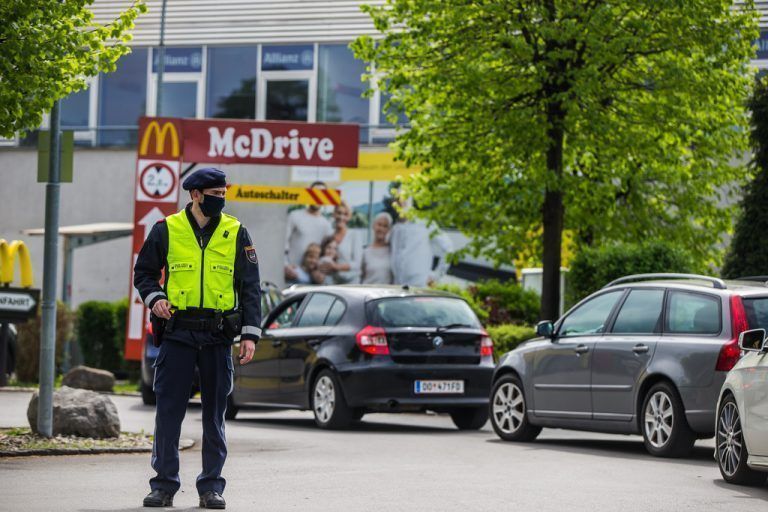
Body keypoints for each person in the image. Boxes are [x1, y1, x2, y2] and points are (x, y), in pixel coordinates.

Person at [133, 167, 261, 510]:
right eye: (215, 194)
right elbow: (144, 274)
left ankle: (211, 487)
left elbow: (250, 287)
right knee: (168, 412)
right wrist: (155, 298)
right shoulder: (166, 230)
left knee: (214, 414)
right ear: (195, 195)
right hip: (177, 332)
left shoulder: (236, 232)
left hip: (218, 335)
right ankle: (163, 486)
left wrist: (250, 335)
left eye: (223, 194)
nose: (221, 199)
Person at [390, 198, 453, 287]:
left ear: (409, 202)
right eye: (397, 201)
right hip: (397, 287)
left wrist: (436, 275)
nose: (399, 204)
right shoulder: (395, 228)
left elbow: (448, 248)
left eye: (402, 201)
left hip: (418, 287)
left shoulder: (425, 223)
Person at [283, 182, 333, 283]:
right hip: (293, 274)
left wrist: (320, 272)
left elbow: (327, 252)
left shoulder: (327, 225)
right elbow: (283, 243)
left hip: (314, 279)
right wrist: (285, 265)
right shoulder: (295, 216)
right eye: (315, 193)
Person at [318, 201, 362, 283]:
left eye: (345, 214)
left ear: (349, 217)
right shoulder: (328, 235)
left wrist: (336, 267)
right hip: (332, 282)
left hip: (351, 282)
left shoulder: (354, 235)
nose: (341, 217)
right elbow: (321, 256)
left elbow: (357, 264)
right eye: (339, 213)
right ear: (334, 214)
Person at [361, 212, 394, 284]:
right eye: (379, 225)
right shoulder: (365, 252)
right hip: (367, 292)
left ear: (389, 229)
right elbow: (360, 276)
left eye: (385, 226)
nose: (381, 229)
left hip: (386, 293)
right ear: (373, 226)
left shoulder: (392, 252)